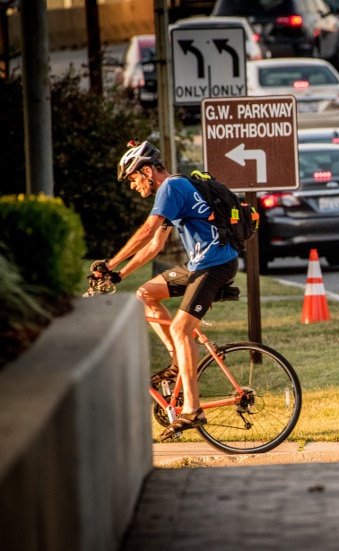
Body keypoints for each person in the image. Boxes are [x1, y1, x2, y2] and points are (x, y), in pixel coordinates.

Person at [92, 141, 239, 440]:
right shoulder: (175, 189)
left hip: (216, 265)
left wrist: (109, 261)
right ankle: (177, 364)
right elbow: (155, 244)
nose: (133, 186)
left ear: (147, 171)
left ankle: (193, 410)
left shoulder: (170, 188)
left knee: (182, 328)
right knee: (145, 294)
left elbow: (147, 230)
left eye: (133, 179)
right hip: (199, 265)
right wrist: (119, 274)